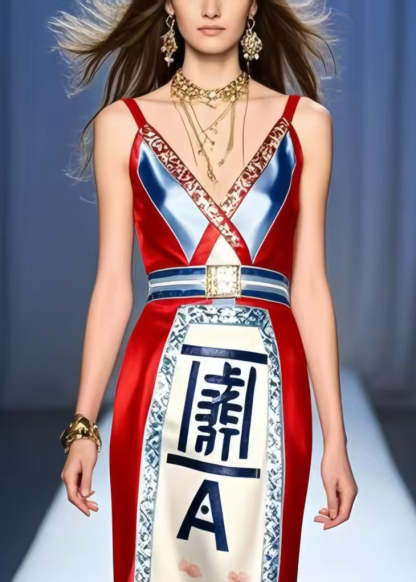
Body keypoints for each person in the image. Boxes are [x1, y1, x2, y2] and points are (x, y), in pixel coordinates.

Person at [50, 1, 358, 581]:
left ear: (254, 5)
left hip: (268, 389)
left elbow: (311, 286)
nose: (211, 8)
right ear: (168, 4)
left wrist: (335, 441)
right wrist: (84, 426)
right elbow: (113, 285)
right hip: (161, 386)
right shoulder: (123, 126)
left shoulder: (306, 124)